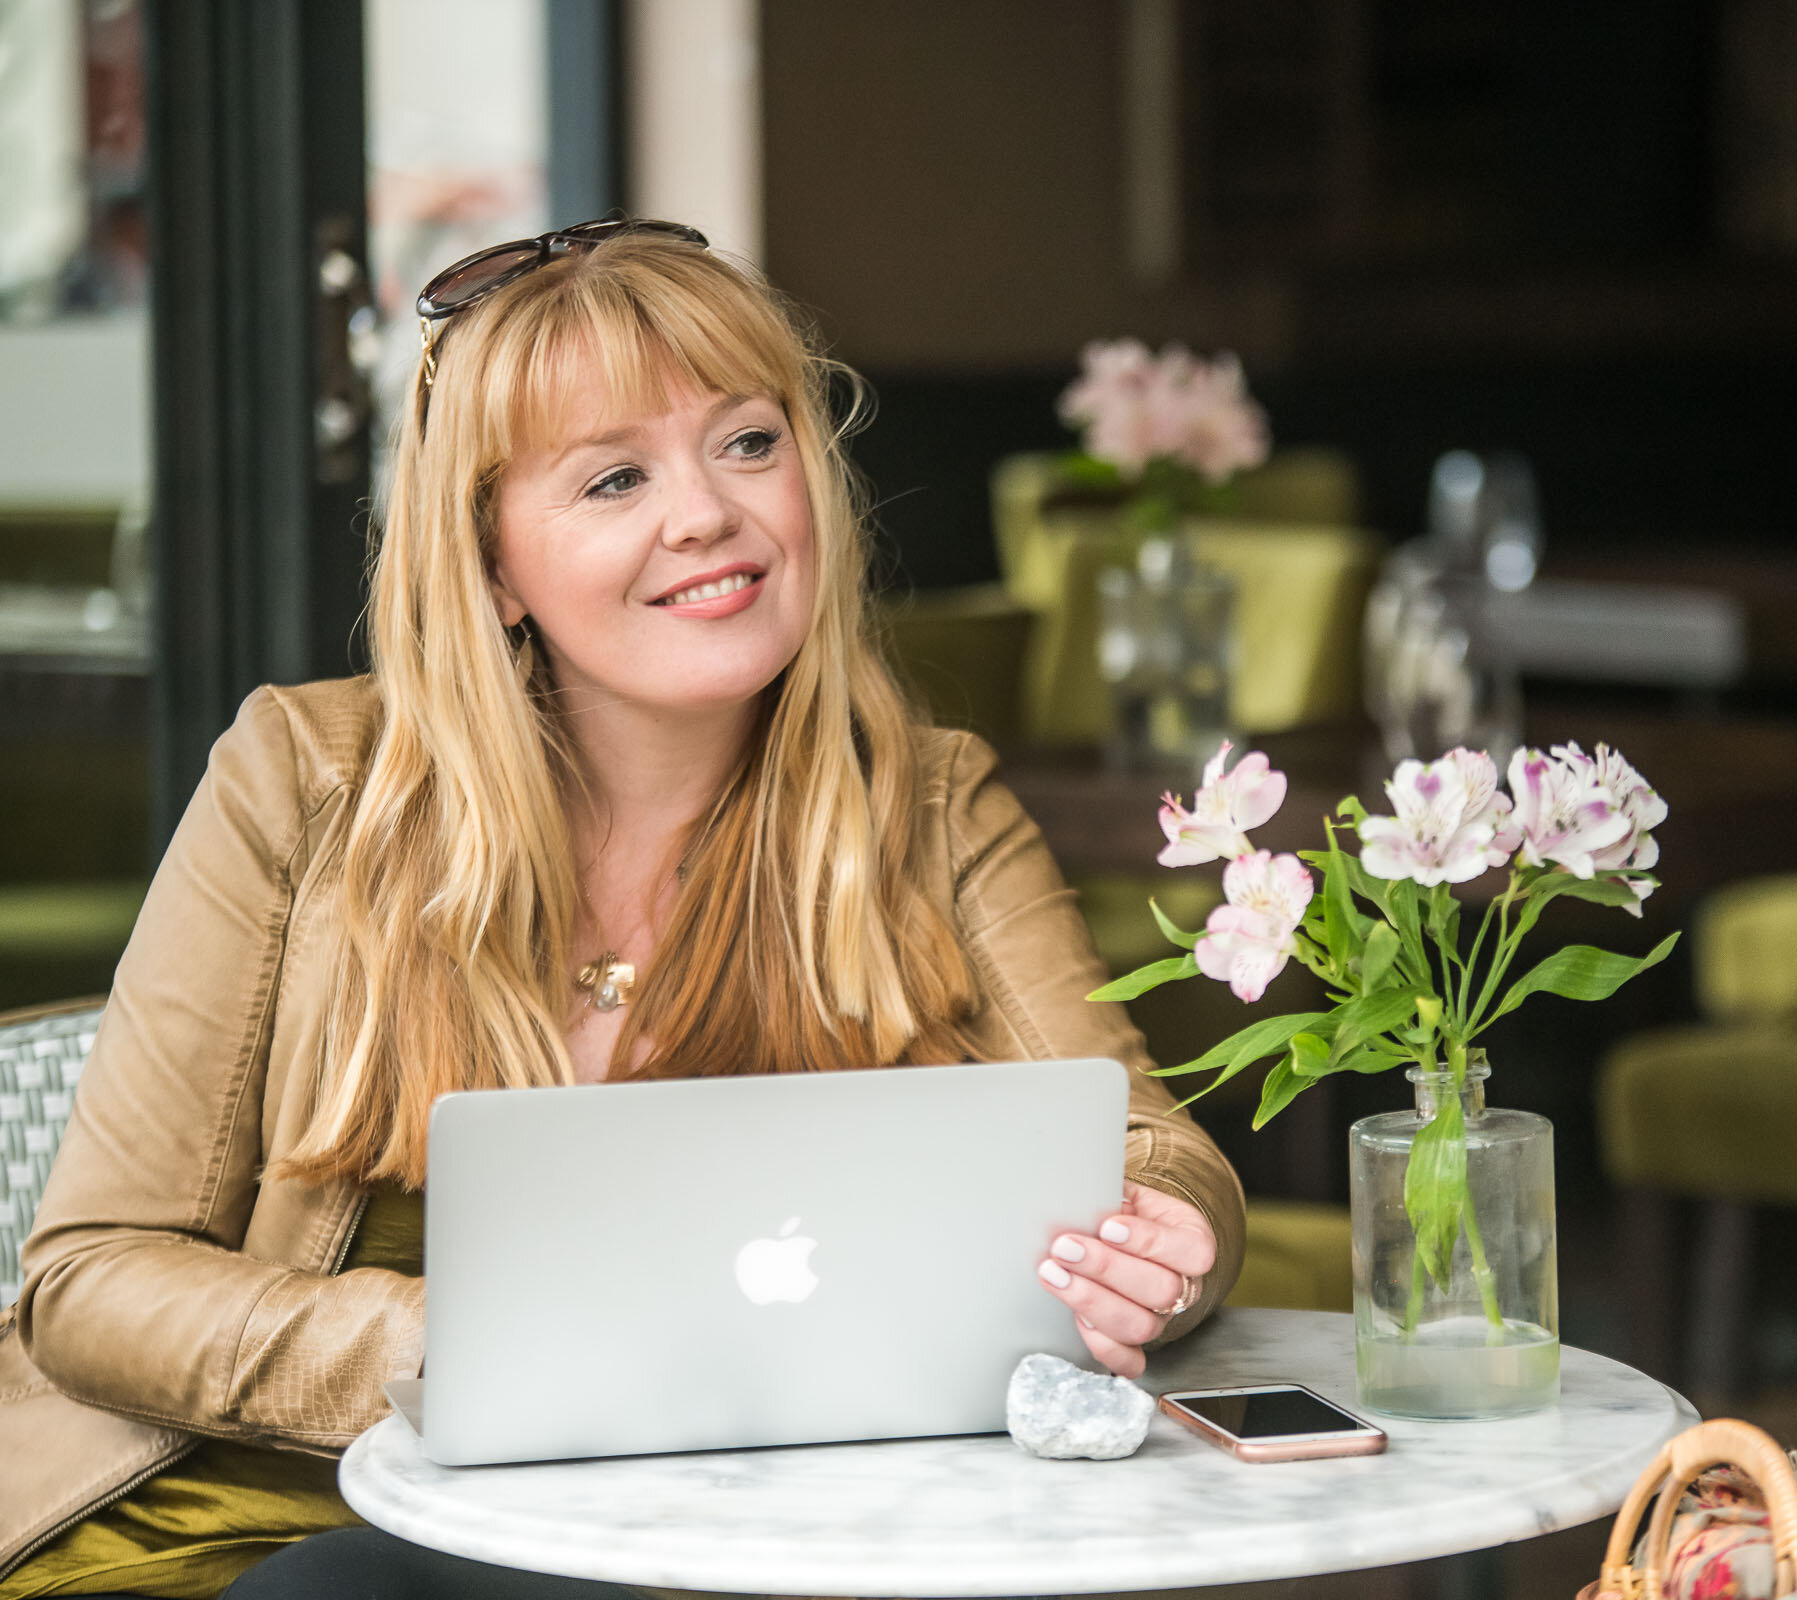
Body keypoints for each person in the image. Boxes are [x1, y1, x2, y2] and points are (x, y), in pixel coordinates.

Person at [0, 220, 1244, 1599]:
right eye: (612, 479)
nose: (707, 512)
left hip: (698, 1548)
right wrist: (483, 1350)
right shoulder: (301, 780)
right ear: (488, 564)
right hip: (251, 1529)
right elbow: (90, 1280)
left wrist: (1169, 1245)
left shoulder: (929, 804)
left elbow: (1144, 1149)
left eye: (749, 442)